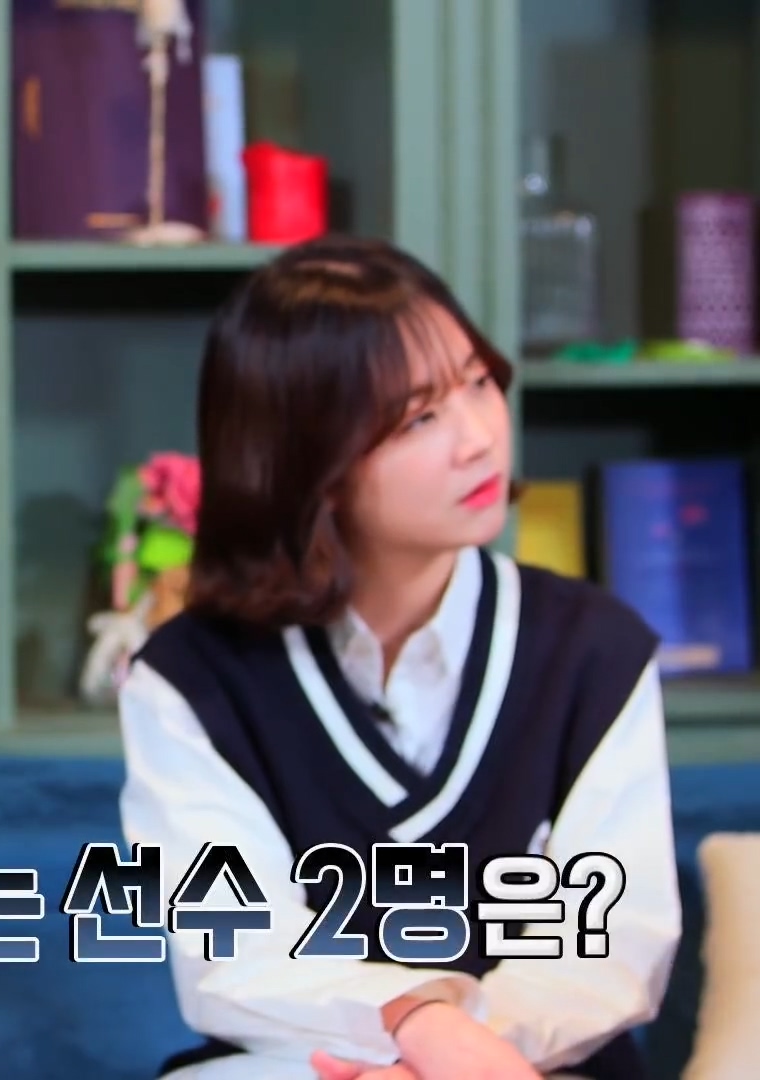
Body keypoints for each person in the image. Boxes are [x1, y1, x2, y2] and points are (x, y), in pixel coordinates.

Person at [118, 236, 680, 1080]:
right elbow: (231, 955)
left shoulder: (593, 649)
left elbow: (609, 951)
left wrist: (459, 1055)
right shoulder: (192, 678)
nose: (479, 439)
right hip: (311, 1065)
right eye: (420, 418)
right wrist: (411, 1023)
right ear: (304, 459)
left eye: (479, 384)